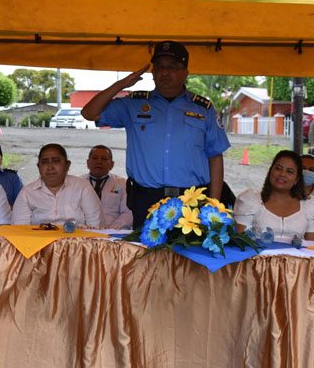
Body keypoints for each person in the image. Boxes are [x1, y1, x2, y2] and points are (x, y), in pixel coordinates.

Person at [81, 40, 230, 229]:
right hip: (146, 199)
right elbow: (89, 113)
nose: (165, 72)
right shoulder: (133, 104)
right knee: (145, 248)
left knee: (189, 249)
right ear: (152, 72)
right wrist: (122, 84)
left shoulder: (203, 109)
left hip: (191, 201)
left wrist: (214, 205)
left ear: (185, 73)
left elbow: (215, 157)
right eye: (159, 66)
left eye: (172, 66)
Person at [12, 143, 104, 227]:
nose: (50, 167)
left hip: (78, 239)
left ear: (67, 165)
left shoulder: (82, 187)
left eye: (56, 161)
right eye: (44, 162)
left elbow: (96, 225)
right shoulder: (27, 193)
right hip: (38, 239)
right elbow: (20, 229)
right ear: (38, 166)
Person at [234, 150, 314, 241]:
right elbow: (240, 241)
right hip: (254, 251)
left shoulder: (309, 205)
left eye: (290, 171)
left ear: (297, 179)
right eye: (278, 168)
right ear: (270, 171)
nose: (282, 174)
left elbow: (311, 245)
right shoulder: (250, 199)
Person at [84, 145, 132, 229]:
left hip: (114, 231)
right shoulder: (79, 183)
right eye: (95, 158)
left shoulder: (122, 183)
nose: (99, 162)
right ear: (88, 163)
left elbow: (128, 212)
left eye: (104, 159)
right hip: (83, 230)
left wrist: (111, 229)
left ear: (112, 164)